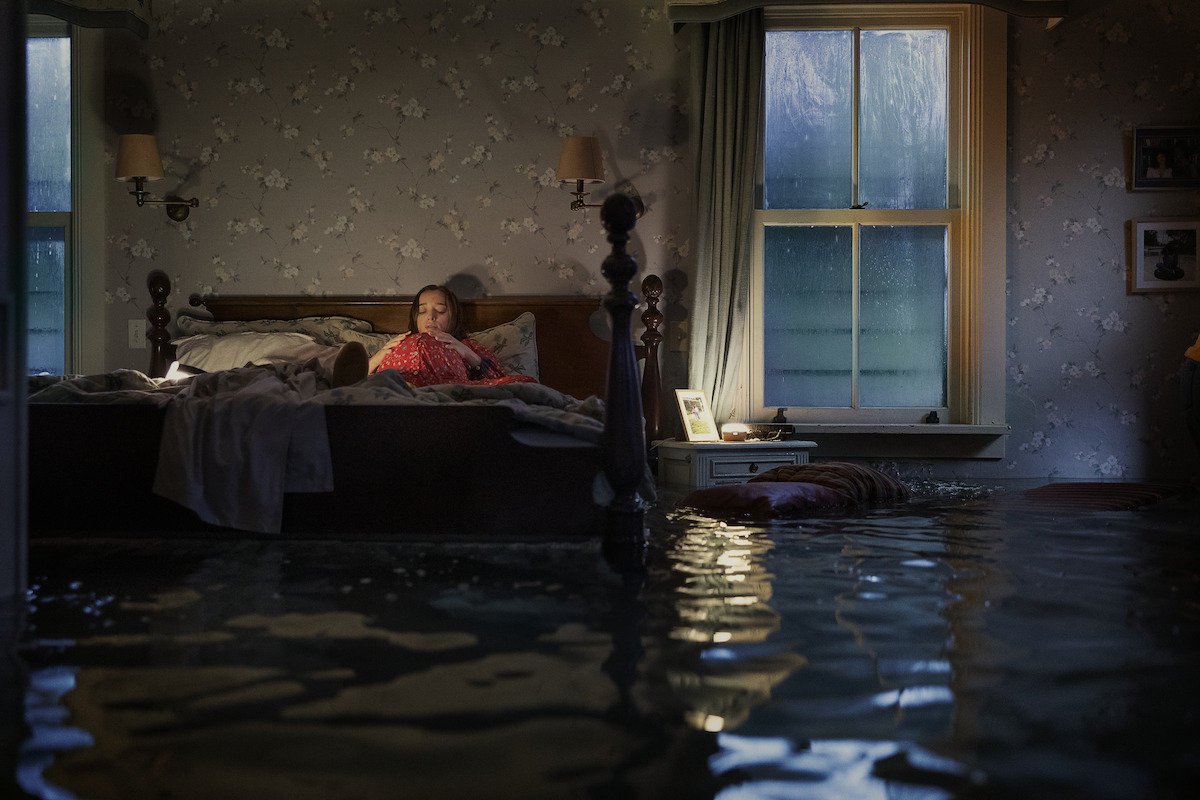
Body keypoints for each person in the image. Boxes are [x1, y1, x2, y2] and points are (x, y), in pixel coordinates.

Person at [333, 284, 518, 388]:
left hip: (446, 388)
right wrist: (375, 360)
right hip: (393, 385)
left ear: (453, 317)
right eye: (422, 311)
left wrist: (468, 354)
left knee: (524, 385)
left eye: (440, 310)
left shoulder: (468, 345)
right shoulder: (396, 343)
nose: (431, 316)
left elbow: (498, 378)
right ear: (415, 317)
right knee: (370, 383)